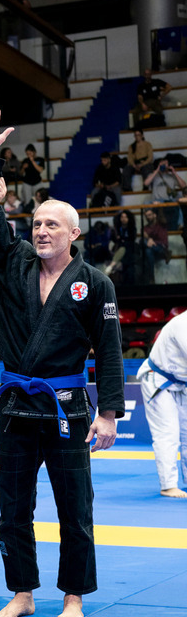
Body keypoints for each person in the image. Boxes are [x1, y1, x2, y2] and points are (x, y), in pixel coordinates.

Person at [0, 106, 123, 617]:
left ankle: (74, 597)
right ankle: (22, 591)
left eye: (51, 224)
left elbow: (109, 350)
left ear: (73, 234)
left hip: (67, 408)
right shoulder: (13, 264)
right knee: (12, 510)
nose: (40, 231)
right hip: (16, 407)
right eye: (35, 223)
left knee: (74, 510)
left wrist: (109, 415)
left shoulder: (94, 283)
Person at [136, 312, 187, 498]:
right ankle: (168, 485)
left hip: (182, 383)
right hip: (158, 380)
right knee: (168, 432)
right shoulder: (183, 323)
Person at [144, 157, 186, 229]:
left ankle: (180, 224)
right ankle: (150, 226)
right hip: (157, 201)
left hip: (169, 201)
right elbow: (146, 183)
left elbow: (184, 185)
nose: (164, 166)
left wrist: (174, 172)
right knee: (146, 204)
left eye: (165, 164)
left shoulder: (171, 176)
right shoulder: (154, 175)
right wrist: (157, 170)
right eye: (162, 164)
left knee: (178, 204)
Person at [107, 210, 137, 284]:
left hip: (129, 252)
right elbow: (115, 240)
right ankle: (112, 265)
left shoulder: (132, 229)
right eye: (122, 217)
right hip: (118, 250)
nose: (123, 219)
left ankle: (111, 265)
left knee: (124, 249)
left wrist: (122, 239)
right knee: (121, 249)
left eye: (125, 217)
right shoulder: (117, 229)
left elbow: (130, 240)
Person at [141, 207, 169, 284]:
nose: (148, 217)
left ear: (155, 215)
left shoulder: (161, 225)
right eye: (146, 215)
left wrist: (153, 242)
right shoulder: (145, 228)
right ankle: (151, 278)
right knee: (147, 250)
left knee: (148, 249)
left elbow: (163, 241)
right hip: (151, 250)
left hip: (161, 248)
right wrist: (149, 240)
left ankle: (151, 278)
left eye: (149, 215)